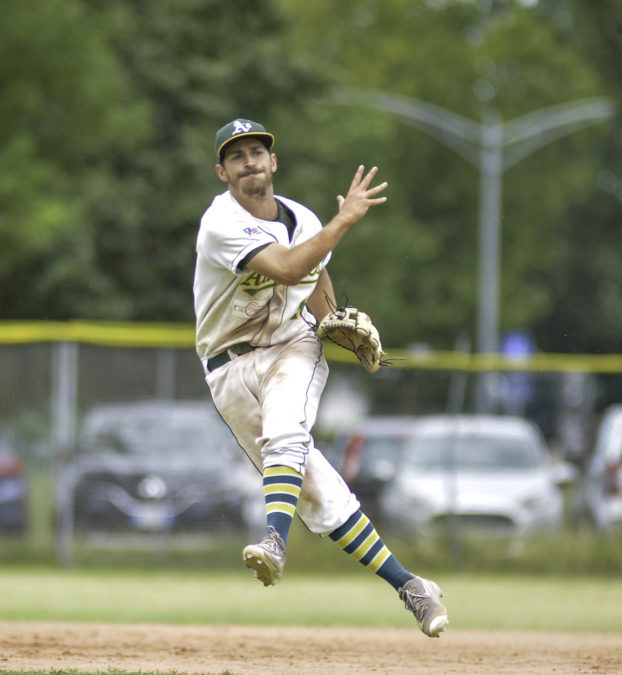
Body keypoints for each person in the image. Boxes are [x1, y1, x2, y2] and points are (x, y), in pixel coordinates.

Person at [192, 118, 448, 638]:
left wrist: (336, 317)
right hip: (227, 367)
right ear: (223, 172)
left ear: (273, 162)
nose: (250, 162)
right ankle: (411, 585)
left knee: (285, 432)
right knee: (315, 490)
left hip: (293, 346)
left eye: (257, 152)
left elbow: (313, 277)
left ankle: (274, 543)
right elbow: (287, 268)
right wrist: (344, 221)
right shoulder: (219, 223)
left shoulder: (303, 218)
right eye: (237, 156)